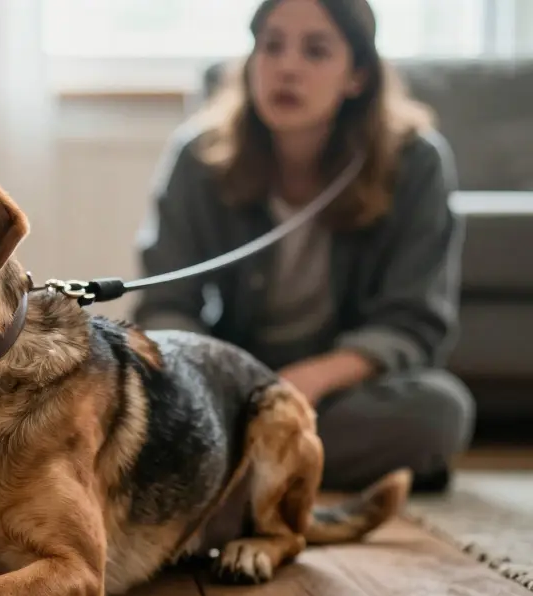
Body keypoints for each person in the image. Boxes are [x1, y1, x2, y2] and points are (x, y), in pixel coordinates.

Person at [131, 0, 474, 493]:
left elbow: (412, 322)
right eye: (271, 46)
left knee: (440, 411)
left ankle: (231, 467)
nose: (286, 67)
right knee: (133, 393)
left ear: (356, 75)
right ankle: (275, 462)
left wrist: (306, 383)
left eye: (315, 50)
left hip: (337, 388)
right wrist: (231, 389)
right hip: (229, 383)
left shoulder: (416, 162)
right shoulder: (199, 157)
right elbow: (166, 308)